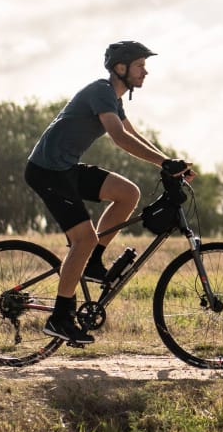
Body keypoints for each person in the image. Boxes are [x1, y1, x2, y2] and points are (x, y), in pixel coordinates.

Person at [24, 40, 195, 346]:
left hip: (65, 168)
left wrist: (170, 163)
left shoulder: (114, 99)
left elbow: (131, 133)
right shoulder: (101, 91)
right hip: (47, 171)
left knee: (128, 193)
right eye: (140, 65)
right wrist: (163, 162)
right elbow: (118, 137)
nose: (146, 72)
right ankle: (60, 318)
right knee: (84, 239)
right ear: (121, 68)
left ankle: (92, 262)